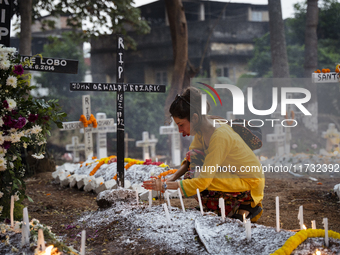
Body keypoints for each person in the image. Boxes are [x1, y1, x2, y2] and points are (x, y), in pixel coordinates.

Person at [143, 87, 265, 222]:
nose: (179, 130)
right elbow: (191, 159)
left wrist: (165, 186)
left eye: (181, 124)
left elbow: (202, 182)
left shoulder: (219, 136)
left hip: (250, 182)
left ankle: (247, 205)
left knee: (195, 180)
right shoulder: (204, 129)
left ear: (194, 118)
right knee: (193, 161)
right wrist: (171, 178)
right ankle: (218, 208)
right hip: (231, 174)